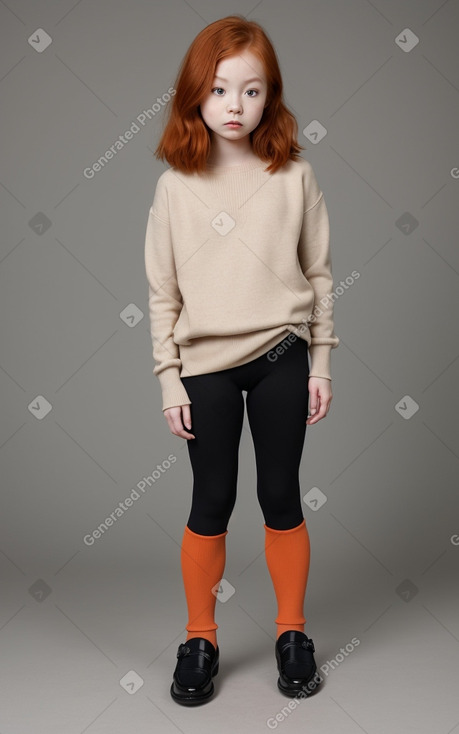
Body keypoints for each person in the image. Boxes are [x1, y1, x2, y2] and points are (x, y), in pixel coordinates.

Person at [144, 15, 339, 706]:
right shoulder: (175, 187)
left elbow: (318, 277)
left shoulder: (295, 177)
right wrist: (169, 379)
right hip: (206, 367)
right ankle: (201, 636)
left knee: (280, 493)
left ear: (270, 97)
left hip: (282, 353)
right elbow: (162, 292)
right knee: (212, 499)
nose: (234, 105)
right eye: (221, 89)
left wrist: (319, 364)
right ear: (195, 94)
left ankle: (292, 634)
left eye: (251, 91)